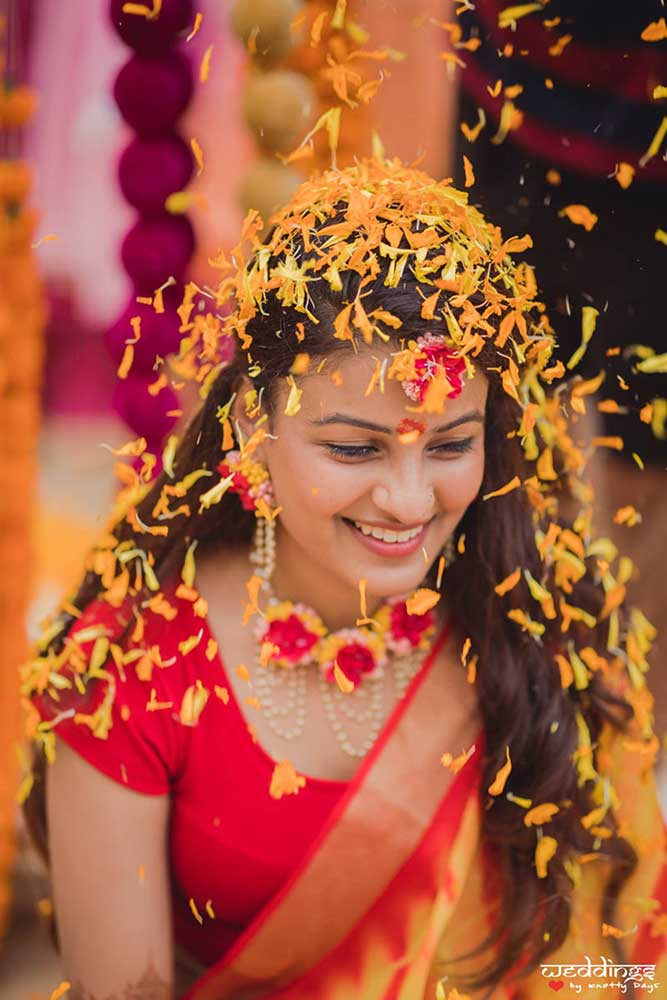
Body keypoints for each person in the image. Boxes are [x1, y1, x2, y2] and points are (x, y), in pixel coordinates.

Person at [22, 160, 667, 999]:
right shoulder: (128, 669)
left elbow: (607, 955)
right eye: (353, 448)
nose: (406, 503)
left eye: (448, 446)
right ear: (254, 425)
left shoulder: (537, 623)